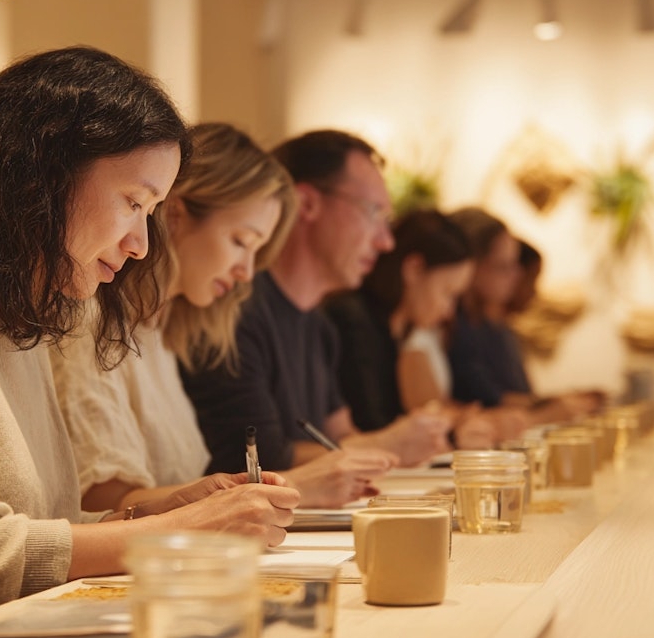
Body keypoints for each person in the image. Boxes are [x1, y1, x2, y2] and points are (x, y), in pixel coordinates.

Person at [0, 47, 298, 624]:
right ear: (43, 177)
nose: (142, 244)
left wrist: (156, 514)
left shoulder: (19, 317)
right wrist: (174, 530)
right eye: (133, 203)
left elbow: (41, 538)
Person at [53, 123, 397, 511]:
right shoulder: (91, 322)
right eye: (240, 243)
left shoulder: (161, 334)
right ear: (176, 216)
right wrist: (292, 486)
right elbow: (105, 506)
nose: (246, 273)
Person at [181, 130, 454, 483]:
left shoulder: (319, 324)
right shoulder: (231, 307)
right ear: (307, 203)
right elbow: (258, 460)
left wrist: (407, 439)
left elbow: (341, 437)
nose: (386, 242)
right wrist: (390, 442)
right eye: (374, 214)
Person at [325, 208, 497, 448]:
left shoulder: (395, 331)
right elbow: (373, 428)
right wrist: (448, 432)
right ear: (414, 269)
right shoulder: (353, 320)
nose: (449, 311)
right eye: (448, 293)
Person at [446, 208, 598, 423]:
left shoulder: (485, 325)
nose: (517, 276)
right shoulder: (453, 327)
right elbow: (486, 402)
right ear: (471, 265)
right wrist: (549, 408)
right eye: (503, 266)